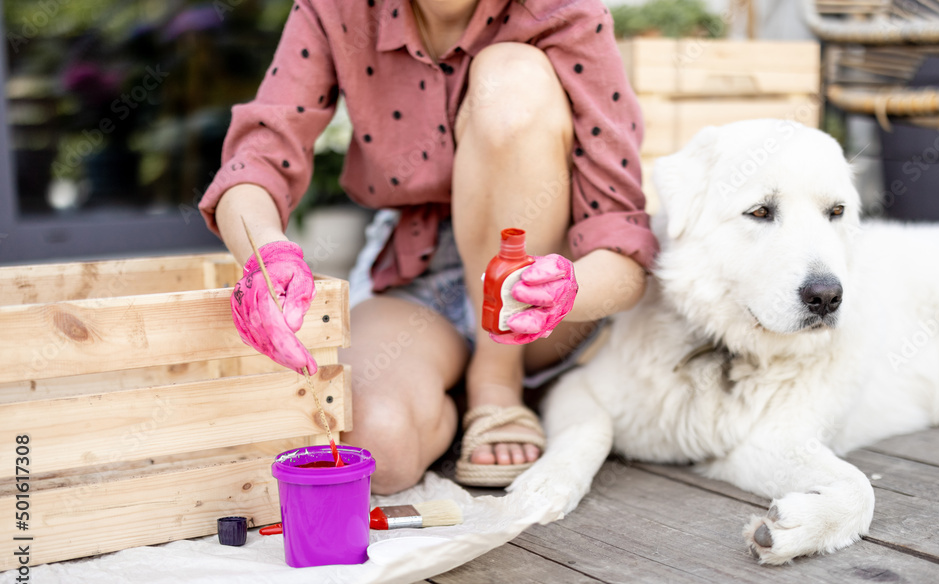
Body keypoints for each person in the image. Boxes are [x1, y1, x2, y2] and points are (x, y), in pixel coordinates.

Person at [198, 0, 659, 495]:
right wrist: (264, 253)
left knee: (510, 77)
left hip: (542, 280)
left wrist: (564, 290)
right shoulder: (337, 9)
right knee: (376, 450)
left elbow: (623, 249)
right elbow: (257, 159)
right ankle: (455, 391)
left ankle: (497, 382)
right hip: (420, 271)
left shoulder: (565, 13)